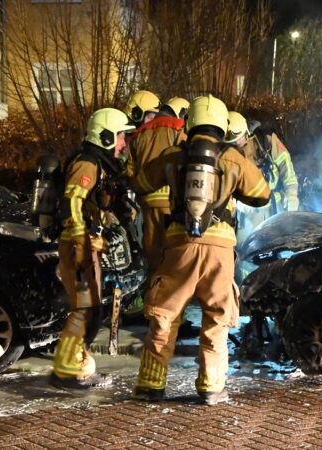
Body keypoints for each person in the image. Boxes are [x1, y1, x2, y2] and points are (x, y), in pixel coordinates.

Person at [132, 94, 270, 404]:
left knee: (166, 317)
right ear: (222, 125)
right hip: (220, 249)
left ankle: (151, 384)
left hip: (179, 245)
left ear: (189, 123)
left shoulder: (172, 156)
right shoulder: (233, 158)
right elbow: (262, 194)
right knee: (217, 318)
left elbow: (140, 183)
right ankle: (210, 386)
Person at [50, 108, 135, 389]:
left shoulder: (98, 164)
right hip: (79, 247)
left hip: (84, 246)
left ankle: (75, 365)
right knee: (85, 309)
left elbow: (92, 206)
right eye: (122, 137)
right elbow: (71, 202)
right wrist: (82, 240)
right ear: (107, 135)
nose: (124, 144)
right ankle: (66, 369)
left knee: (91, 310)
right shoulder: (87, 163)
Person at [127, 96, 188, 270]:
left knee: (153, 258)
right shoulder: (179, 129)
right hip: (172, 204)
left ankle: (152, 292)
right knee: (175, 258)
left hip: (147, 205)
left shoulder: (138, 134)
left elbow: (131, 173)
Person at [228, 114, 299, 239]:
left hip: (275, 207)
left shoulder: (265, 141)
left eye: (238, 138)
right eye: (232, 140)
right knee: (247, 248)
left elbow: (287, 169)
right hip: (246, 212)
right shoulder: (227, 151)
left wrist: (292, 195)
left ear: (246, 131)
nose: (236, 142)